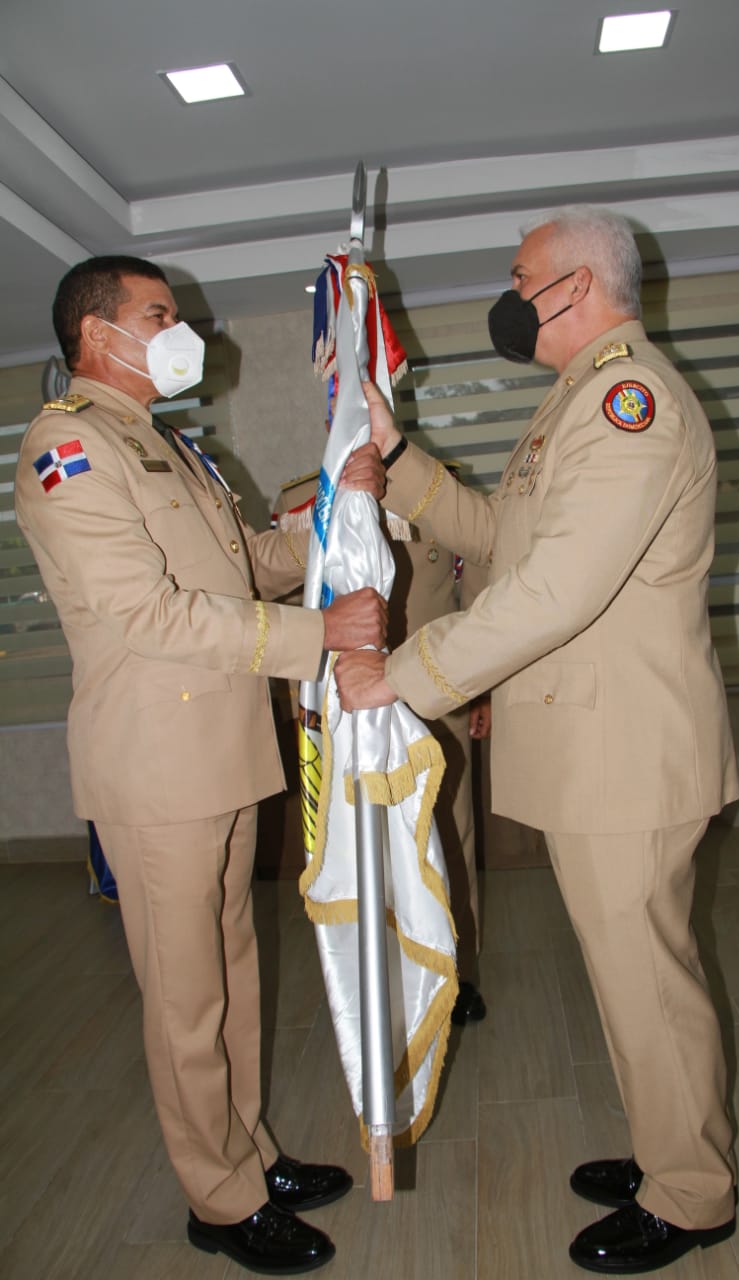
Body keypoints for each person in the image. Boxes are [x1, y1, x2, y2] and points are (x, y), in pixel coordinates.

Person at [334, 207, 739, 1274]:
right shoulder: (574, 403)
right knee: (628, 976)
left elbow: (557, 590)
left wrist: (407, 678)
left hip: (624, 753)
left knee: (647, 979)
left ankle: (691, 1193)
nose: (509, 298)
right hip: (597, 752)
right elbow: (500, 537)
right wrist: (396, 454)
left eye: (521, 278)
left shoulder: (627, 401)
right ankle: (668, 1146)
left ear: (573, 286)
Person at [14, 255, 389, 1276]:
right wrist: (319, 632)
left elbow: (235, 568)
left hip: (218, 751)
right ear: (98, 336)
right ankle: (216, 1198)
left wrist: (323, 510)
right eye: (159, 314)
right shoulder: (67, 447)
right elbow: (148, 612)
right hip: (157, 764)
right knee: (184, 997)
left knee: (229, 972)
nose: (182, 331)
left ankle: (250, 1151)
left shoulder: (168, 446)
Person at [276, 468, 489, 1024]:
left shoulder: (440, 486)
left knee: (449, 833)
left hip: (434, 694)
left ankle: (456, 971)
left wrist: (483, 692)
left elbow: (476, 597)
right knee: (352, 840)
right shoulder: (302, 499)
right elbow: (286, 601)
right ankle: (372, 973)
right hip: (343, 703)